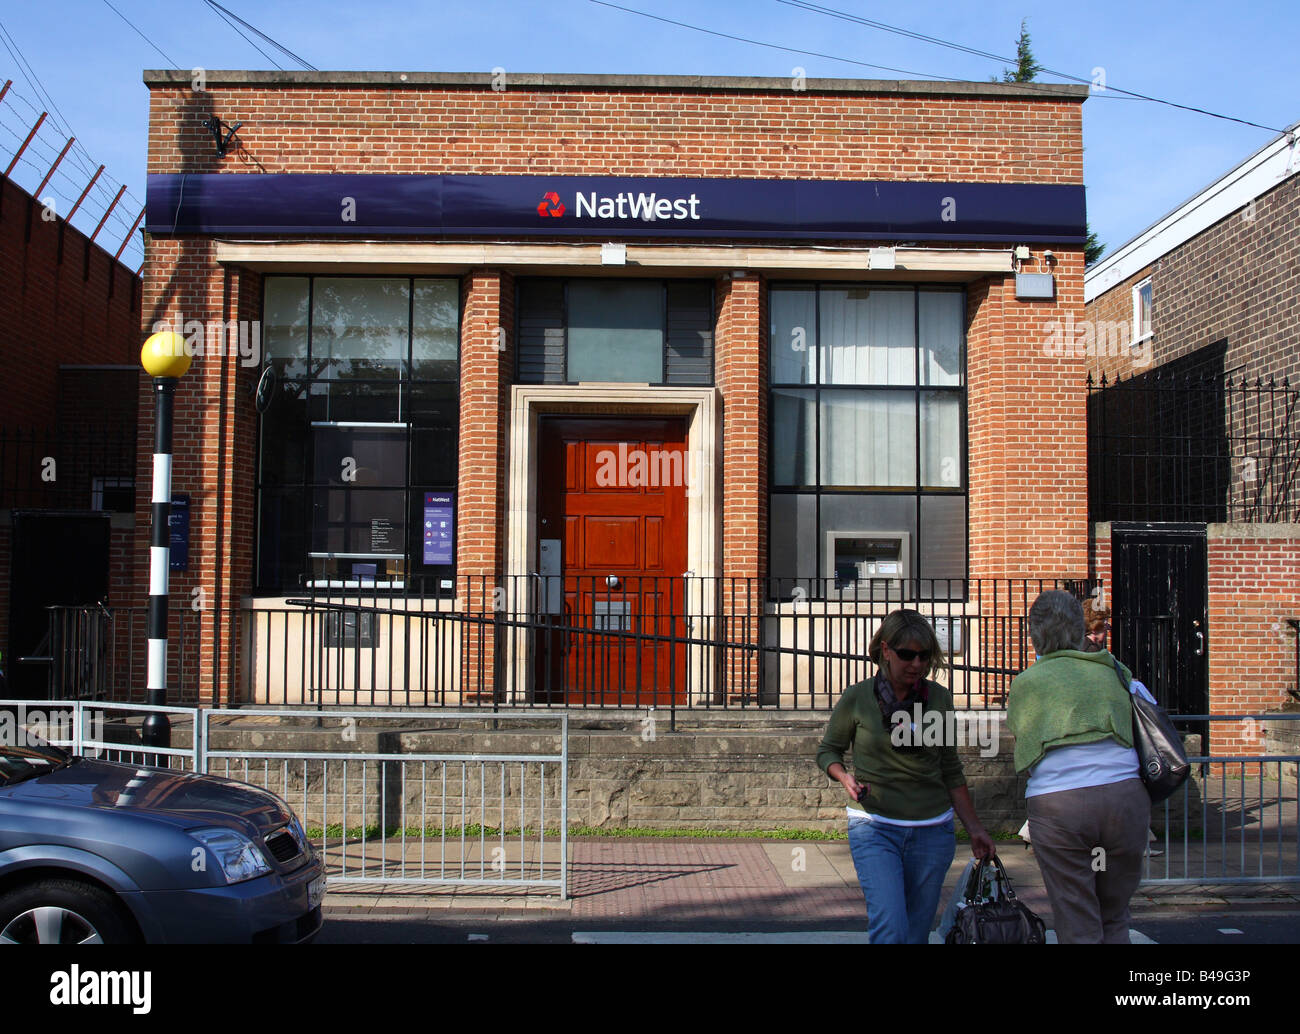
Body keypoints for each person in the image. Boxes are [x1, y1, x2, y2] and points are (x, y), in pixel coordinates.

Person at [817, 609, 996, 944]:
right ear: (886, 650)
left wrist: (975, 829)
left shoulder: (938, 699)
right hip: (875, 827)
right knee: (891, 928)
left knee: (915, 935)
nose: (916, 664)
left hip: (932, 833)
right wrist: (844, 777)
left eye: (924, 656)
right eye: (907, 655)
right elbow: (828, 751)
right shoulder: (858, 697)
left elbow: (950, 769)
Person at [1006, 590, 1154, 944]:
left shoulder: (1027, 683)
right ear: (1078, 629)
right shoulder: (1114, 670)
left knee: (1077, 918)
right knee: (1115, 916)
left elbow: (1025, 744)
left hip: (1059, 805)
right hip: (1125, 799)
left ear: (1035, 633)